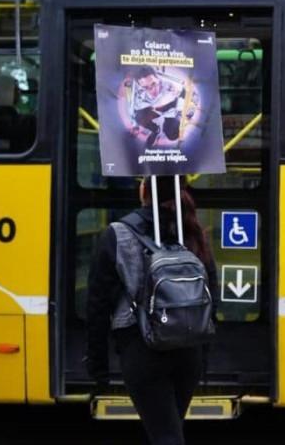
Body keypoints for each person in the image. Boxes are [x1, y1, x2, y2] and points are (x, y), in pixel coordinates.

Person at [85, 176, 216, 445]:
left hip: (142, 349)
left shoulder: (117, 234)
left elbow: (97, 304)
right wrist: (204, 354)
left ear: (143, 189)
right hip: (189, 349)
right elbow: (211, 295)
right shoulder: (191, 230)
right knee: (169, 429)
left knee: (166, 435)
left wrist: (99, 366)